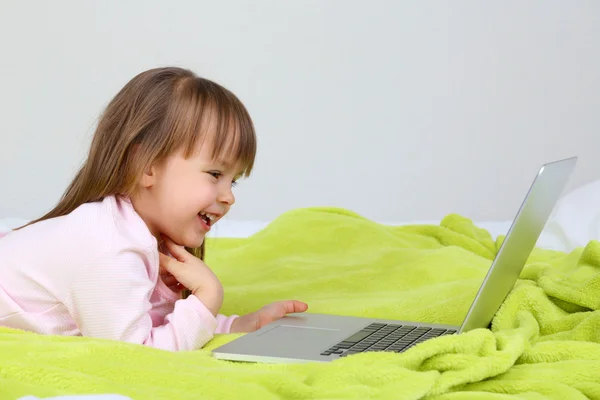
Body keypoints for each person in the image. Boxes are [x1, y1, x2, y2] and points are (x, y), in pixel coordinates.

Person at [0, 67, 307, 351]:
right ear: (146, 166)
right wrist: (206, 299)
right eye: (215, 175)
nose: (228, 197)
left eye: (233, 182)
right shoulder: (110, 249)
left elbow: (157, 319)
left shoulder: (144, 236)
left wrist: (239, 325)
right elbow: (136, 354)